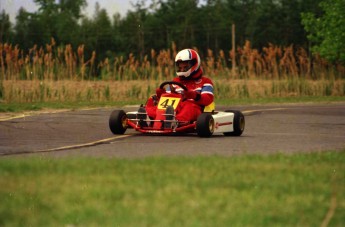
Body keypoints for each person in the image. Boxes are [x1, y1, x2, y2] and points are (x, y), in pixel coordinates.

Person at [142, 48, 214, 126]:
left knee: (189, 108)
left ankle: (175, 122)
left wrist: (194, 95)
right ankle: (148, 119)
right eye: (180, 68)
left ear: (194, 64)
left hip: (195, 108)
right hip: (174, 108)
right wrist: (162, 95)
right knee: (157, 106)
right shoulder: (175, 82)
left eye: (185, 67)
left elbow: (208, 99)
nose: (182, 69)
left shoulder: (205, 81)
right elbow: (167, 100)